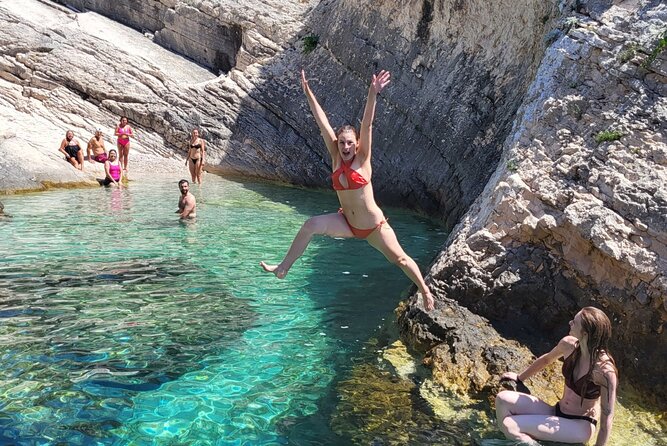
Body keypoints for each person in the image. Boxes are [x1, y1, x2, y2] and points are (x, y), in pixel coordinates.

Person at [260, 70, 434, 311]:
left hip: (374, 228)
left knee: (401, 259)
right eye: (342, 142)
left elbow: (367, 124)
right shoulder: (334, 156)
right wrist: (308, 93)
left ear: (357, 144)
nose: (345, 146)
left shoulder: (363, 159)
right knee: (310, 225)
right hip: (347, 223)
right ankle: (283, 267)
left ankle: (425, 290)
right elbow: (322, 123)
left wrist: (373, 93)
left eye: (350, 142)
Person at [495, 306, 618, 446]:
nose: (570, 323)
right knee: (502, 399)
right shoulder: (568, 345)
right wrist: (519, 378)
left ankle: (523, 440)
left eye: (575, 322)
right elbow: (546, 359)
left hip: (579, 425)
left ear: (585, 333)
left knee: (510, 425)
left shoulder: (604, 371)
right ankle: (515, 440)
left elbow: (607, 416)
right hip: (557, 410)